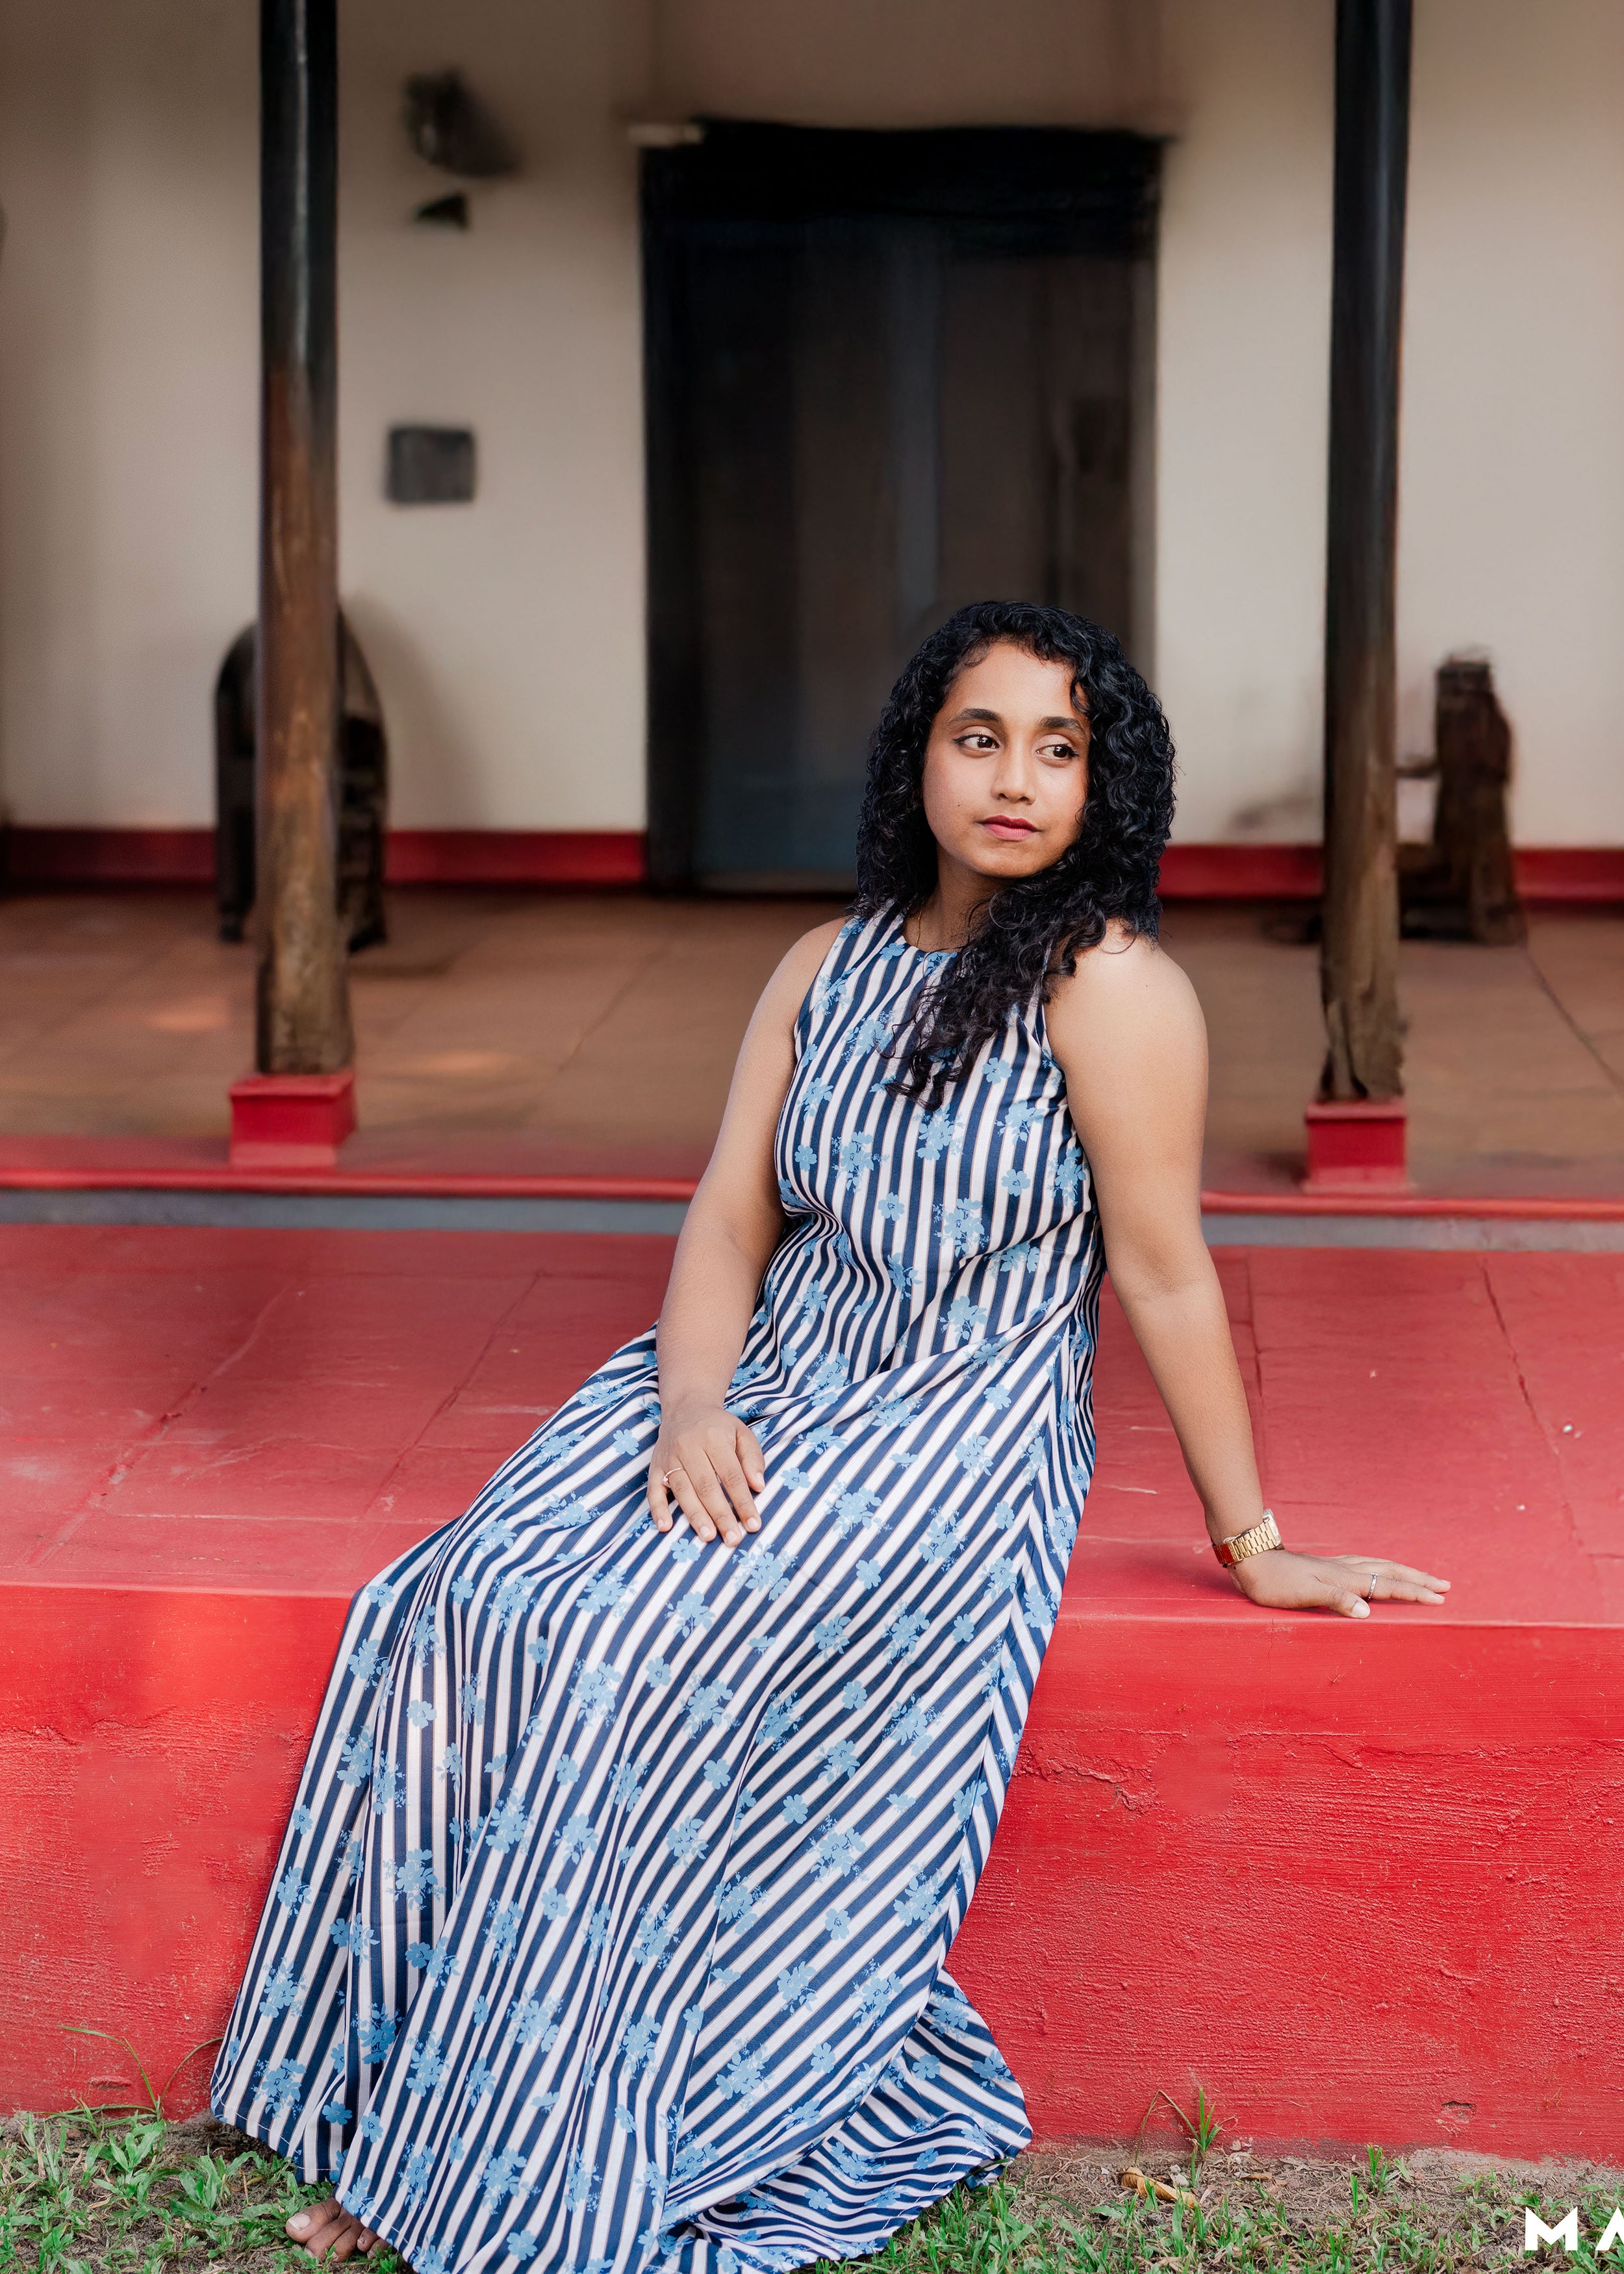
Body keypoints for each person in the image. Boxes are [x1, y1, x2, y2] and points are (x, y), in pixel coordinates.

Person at [211, 602, 1449, 2271]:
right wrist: (691, 1402)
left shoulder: (1114, 993)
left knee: (616, 1649)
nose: (1016, 778)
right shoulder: (823, 961)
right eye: (979, 735)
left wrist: (1255, 1542)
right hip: (767, 1376)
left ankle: (526, 2159)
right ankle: (401, 2111)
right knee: (457, 1603)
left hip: (949, 1434)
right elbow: (729, 1216)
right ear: (917, 757)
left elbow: (1161, 1274)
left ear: (1108, 787)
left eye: (1061, 749)